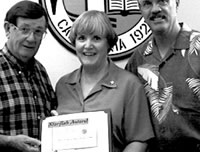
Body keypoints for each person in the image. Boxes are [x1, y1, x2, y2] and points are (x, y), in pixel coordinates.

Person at [55, 10, 154, 152]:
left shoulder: (130, 85)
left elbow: (139, 140)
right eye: (82, 38)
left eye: (96, 38)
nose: (88, 45)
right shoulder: (62, 85)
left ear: (108, 43)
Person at [125, 0, 200, 152]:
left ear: (177, 3)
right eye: (147, 3)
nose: (155, 9)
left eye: (162, 0)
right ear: (141, 10)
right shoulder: (138, 60)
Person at [0, 0, 57, 152]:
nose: (31, 38)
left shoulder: (41, 72)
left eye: (38, 31)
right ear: (8, 29)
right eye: (24, 29)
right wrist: (7, 141)